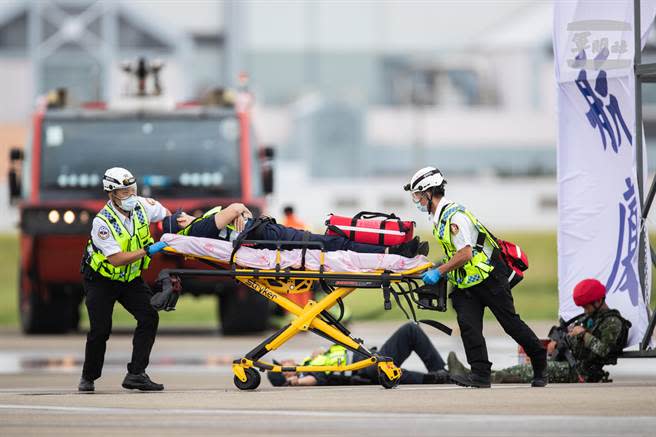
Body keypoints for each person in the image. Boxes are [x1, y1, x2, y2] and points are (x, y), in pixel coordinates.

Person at [404, 166, 547, 388]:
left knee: (510, 324)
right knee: (468, 325)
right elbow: (455, 253)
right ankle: (480, 375)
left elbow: (466, 253)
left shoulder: (454, 218)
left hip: (490, 277)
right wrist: (435, 265)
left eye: (418, 195)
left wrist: (439, 272)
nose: (417, 201)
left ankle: (540, 361)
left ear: (430, 192)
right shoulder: (438, 217)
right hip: (467, 281)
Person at [78, 167, 170, 392]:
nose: (130, 195)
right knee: (100, 330)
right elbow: (117, 259)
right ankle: (88, 377)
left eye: (132, 189)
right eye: (123, 191)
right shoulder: (102, 222)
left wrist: (180, 225)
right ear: (111, 194)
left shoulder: (143, 206)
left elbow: (167, 215)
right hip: (101, 280)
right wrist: (148, 250)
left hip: (130, 279)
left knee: (149, 317)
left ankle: (136, 374)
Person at [448, 279, 632, 384]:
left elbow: (604, 351)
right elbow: (564, 334)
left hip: (581, 370)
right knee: (519, 369)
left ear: (598, 301)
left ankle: (472, 375)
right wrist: (557, 343)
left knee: (521, 371)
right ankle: (469, 372)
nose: (584, 310)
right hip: (567, 362)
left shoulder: (612, 323)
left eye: (586, 306)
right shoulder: (589, 318)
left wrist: (584, 335)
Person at [161, 204, 427, 258]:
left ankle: (394, 249)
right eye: (180, 216)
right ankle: (394, 251)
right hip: (265, 238)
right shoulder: (199, 228)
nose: (184, 213)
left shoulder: (198, 231)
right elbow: (234, 208)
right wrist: (242, 213)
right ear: (180, 223)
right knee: (334, 244)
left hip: (264, 235)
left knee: (333, 241)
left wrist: (242, 215)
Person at [266, 322, 449, 387]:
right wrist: (294, 382)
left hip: (368, 366)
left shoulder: (308, 363)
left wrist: (321, 353)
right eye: (281, 365)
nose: (284, 361)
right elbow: (314, 379)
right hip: (367, 368)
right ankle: (442, 372)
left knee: (425, 379)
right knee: (410, 330)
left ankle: (445, 375)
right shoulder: (305, 374)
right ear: (286, 373)